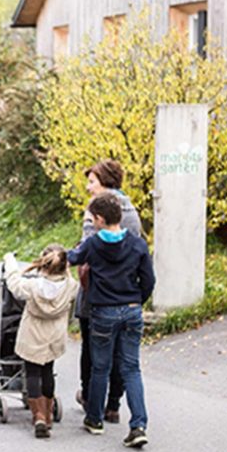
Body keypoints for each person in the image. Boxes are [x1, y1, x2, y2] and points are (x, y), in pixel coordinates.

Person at [68, 193, 154, 448]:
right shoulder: (137, 245)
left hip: (103, 312)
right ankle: (138, 424)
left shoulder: (93, 245)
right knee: (131, 368)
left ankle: (94, 419)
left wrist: (55, 256)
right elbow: (149, 280)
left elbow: (73, 257)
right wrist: (138, 301)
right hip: (131, 310)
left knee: (100, 367)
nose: (91, 222)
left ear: (101, 219)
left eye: (92, 218)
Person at [75, 160, 143, 423]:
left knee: (92, 351)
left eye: (92, 181)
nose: (88, 187)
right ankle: (113, 404)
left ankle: (92, 402)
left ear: (105, 182)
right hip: (126, 292)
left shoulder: (96, 210)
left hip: (97, 292)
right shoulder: (132, 211)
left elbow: (86, 249)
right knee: (120, 353)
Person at [3, 245, 78, 439]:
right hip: (54, 335)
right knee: (47, 371)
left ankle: (38, 417)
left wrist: (10, 261)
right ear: (65, 266)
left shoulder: (33, 286)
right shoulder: (71, 286)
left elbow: (14, 284)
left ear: (43, 264)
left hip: (33, 333)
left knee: (33, 372)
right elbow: (70, 282)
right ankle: (48, 414)